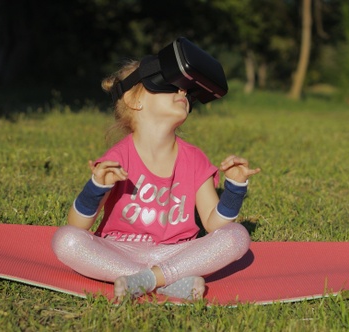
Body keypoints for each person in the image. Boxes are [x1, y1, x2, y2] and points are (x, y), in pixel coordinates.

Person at [51, 56, 261, 301]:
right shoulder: (117, 157)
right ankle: (164, 283)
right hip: (119, 250)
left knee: (237, 236)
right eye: (168, 84)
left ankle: (147, 280)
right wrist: (96, 187)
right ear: (134, 100)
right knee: (65, 240)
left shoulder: (195, 159)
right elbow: (77, 226)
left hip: (177, 253)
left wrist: (235, 187)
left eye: (185, 88)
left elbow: (215, 225)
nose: (182, 90)